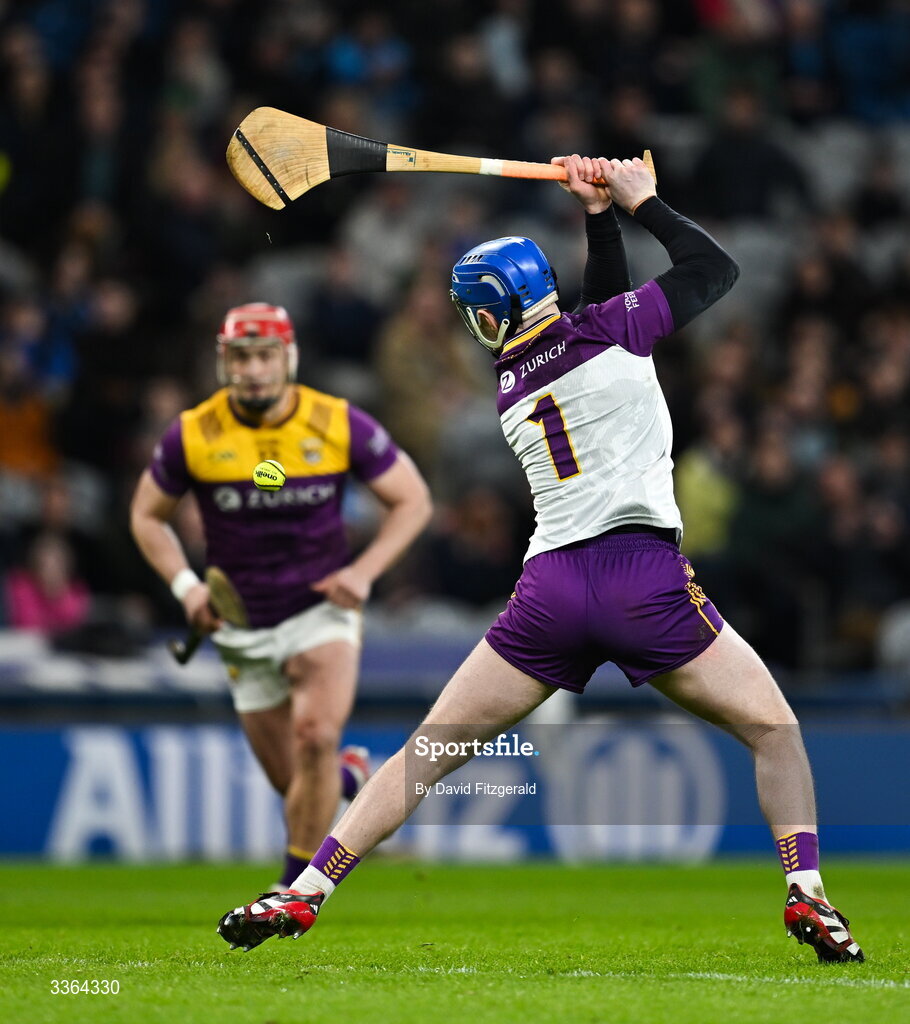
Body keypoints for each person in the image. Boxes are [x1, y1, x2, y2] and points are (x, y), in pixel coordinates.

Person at [216, 158, 864, 964]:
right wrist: (641, 201)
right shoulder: (614, 331)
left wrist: (597, 216)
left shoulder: (511, 379)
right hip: (644, 583)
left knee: (423, 756)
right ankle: (808, 895)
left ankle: (305, 889)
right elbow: (714, 269)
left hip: (550, 592)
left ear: (495, 318)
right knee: (775, 733)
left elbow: (604, 308)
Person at [131, 303, 432, 889]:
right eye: (241, 357)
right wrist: (186, 587)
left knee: (315, 734)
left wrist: (364, 572)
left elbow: (413, 499)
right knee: (295, 779)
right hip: (240, 623)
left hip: (322, 612)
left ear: (288, 358)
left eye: (265, 355)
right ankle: (348, 779)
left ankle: (292, 889)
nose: (254, 369)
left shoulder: (337, 422)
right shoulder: (194, 433)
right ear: (224, 363)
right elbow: (146, 516)